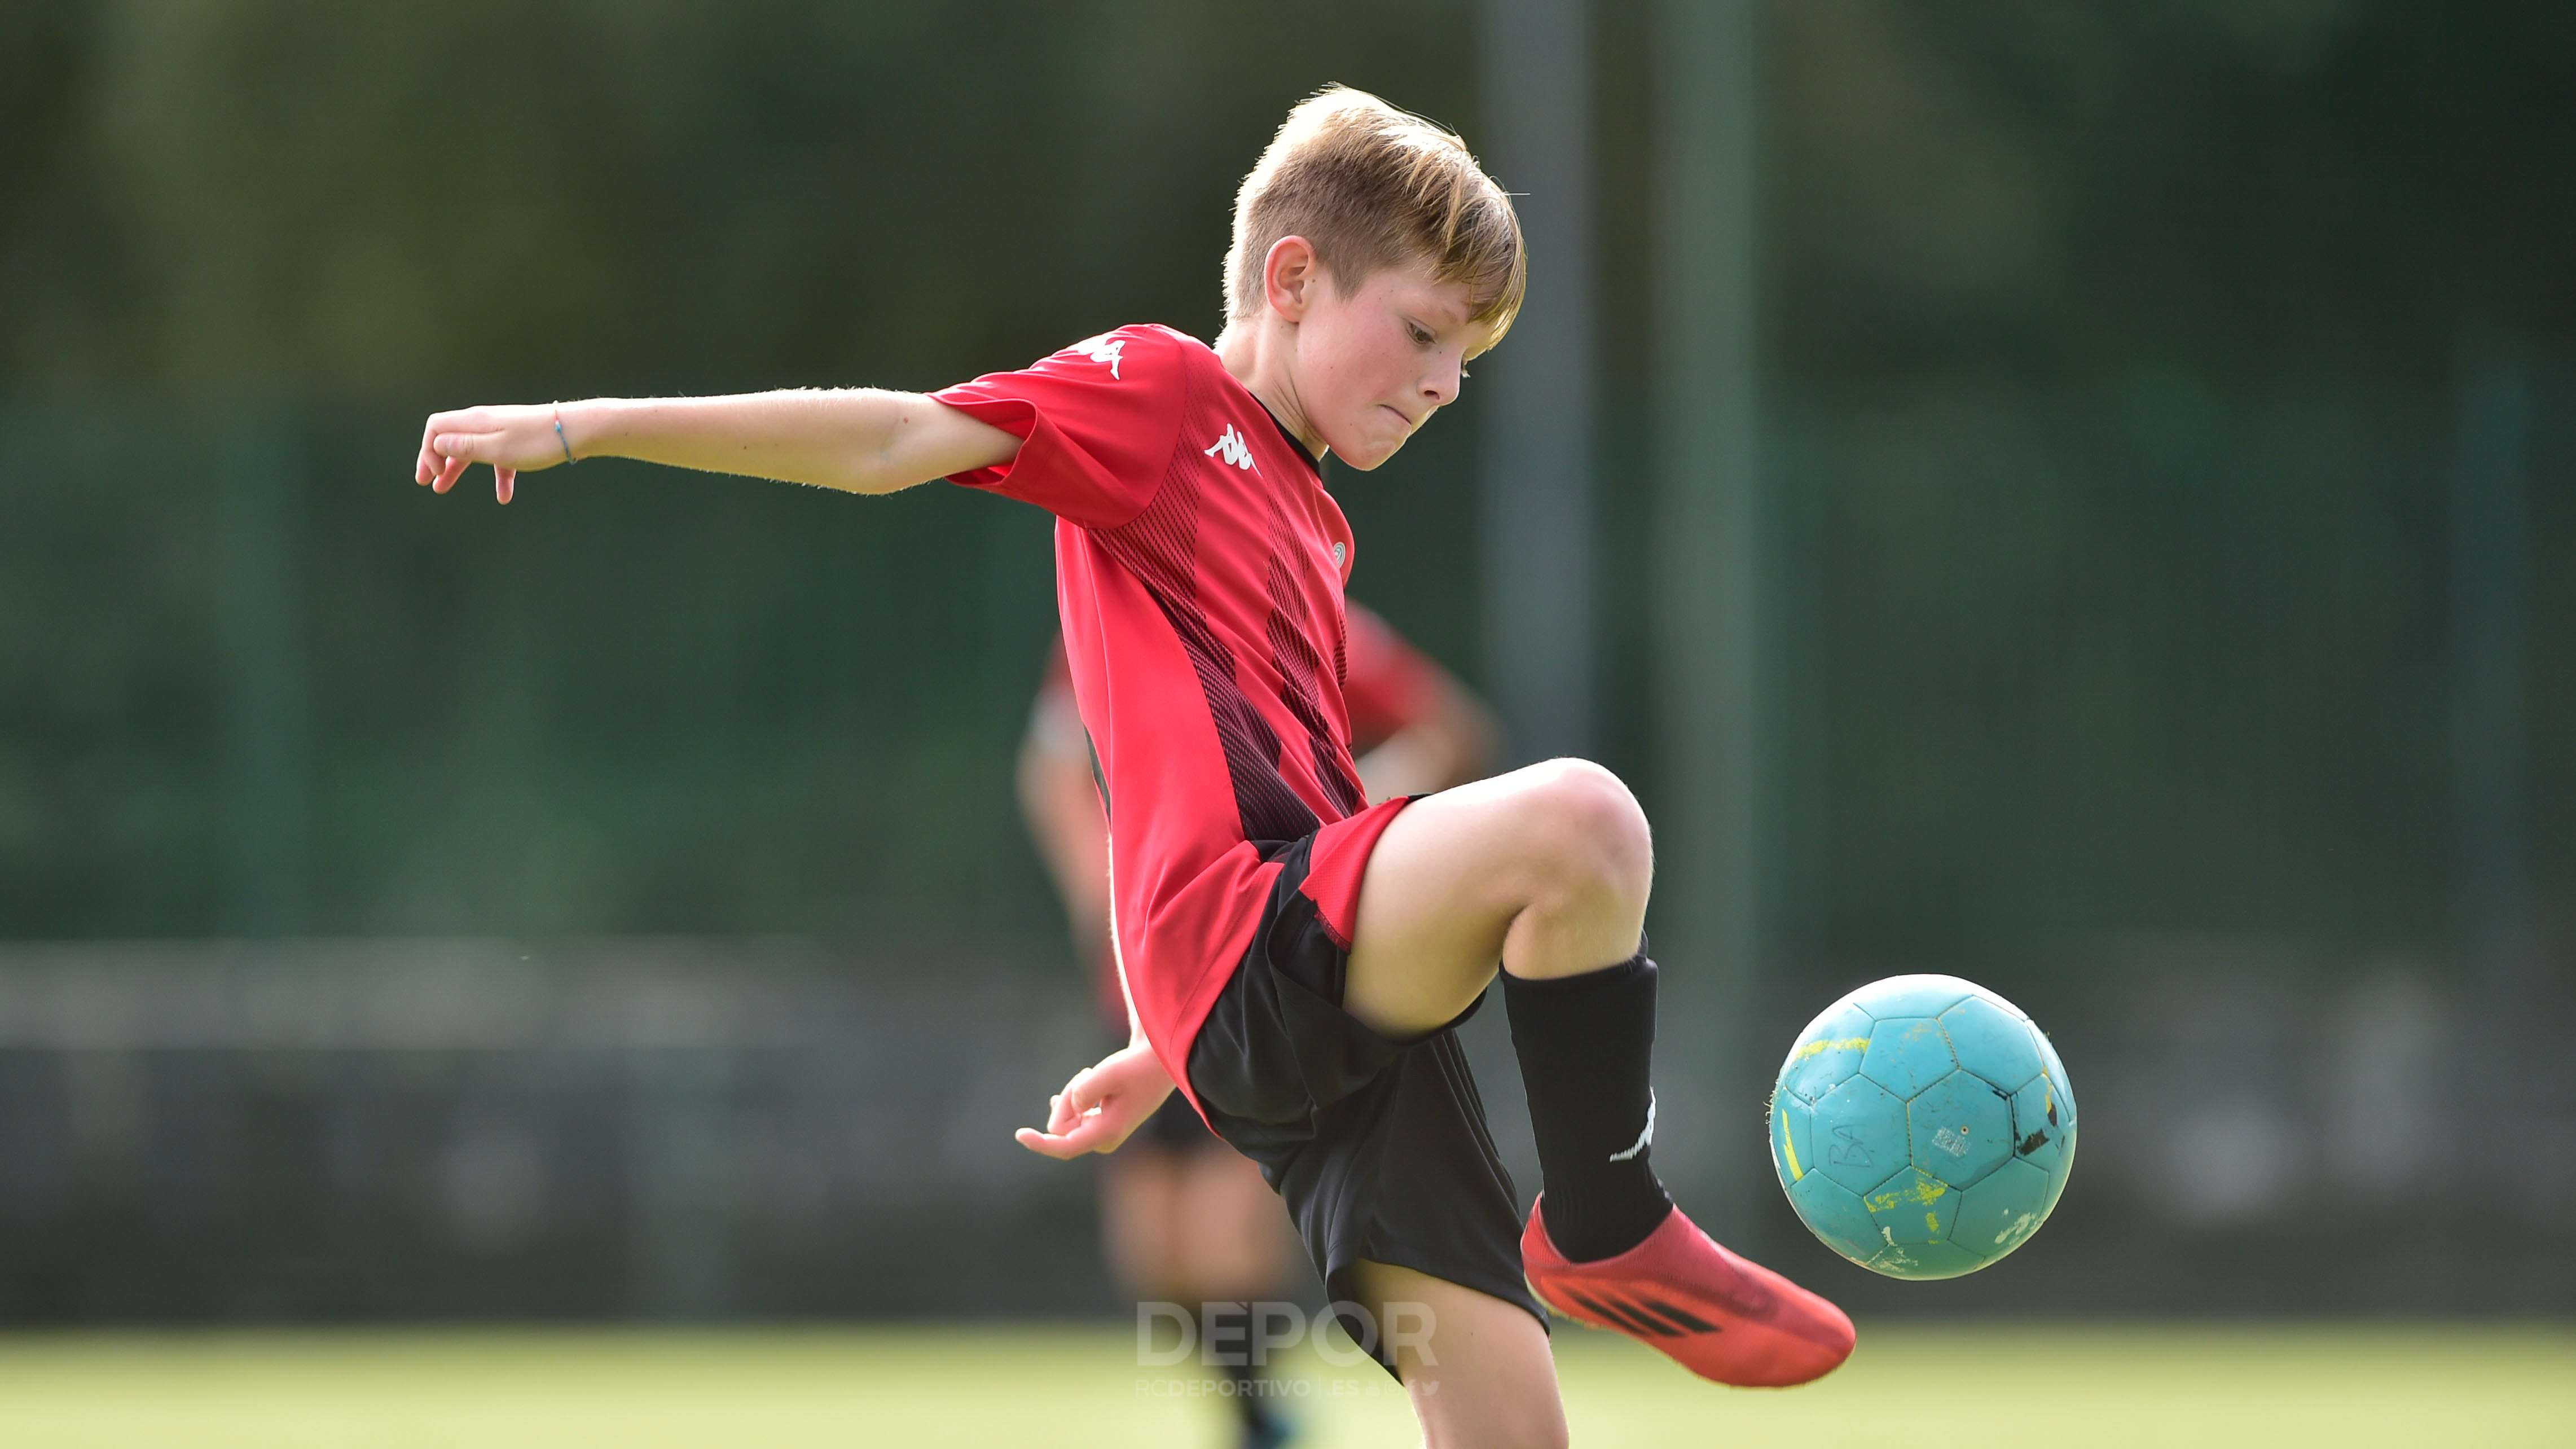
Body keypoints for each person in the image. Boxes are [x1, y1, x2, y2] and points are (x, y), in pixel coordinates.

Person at [411, 85, 1853, 1449]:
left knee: (1513, 1430)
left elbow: (1290, 800)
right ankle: (1607, 1221)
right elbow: (898, 438)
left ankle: (1588, 1230)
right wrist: (581, 427)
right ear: (1290, 280)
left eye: (1465, 361)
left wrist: (1170, 1051)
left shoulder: (1318, 522)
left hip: (1302, 1008)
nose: (1445, 384)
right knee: (1583, 823)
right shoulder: (1166, 397)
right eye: (1421, 334)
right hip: (1253, 944)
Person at [1018, 609, 1495, 1448]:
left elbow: (1449, 732)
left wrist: (1332, 837)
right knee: (1152, 1254)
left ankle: (1266, 1424)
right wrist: (1098, 887)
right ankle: (1253, 1415)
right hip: (1137, 984)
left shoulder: (1307, 619)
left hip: (1249, 971)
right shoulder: (1114, 600)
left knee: (1221, 1241)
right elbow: (1050, 770)